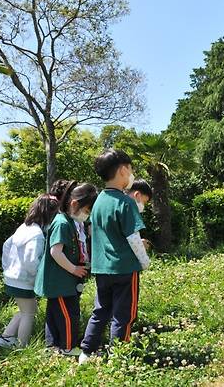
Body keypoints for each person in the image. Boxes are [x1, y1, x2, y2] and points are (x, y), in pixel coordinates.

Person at [79, 150, 150, 364]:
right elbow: (134, 238)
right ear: (122, 170)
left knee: (100, 310)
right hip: (124, 268)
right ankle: (119, 357)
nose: (132, 175)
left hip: (102, 268)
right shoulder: (125, 202)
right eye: (130, 169)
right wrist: (144, 261)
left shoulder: (99, 200)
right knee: (123, 314)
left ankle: (87, 352)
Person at [34, 182, 98, 356]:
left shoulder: (68, 221)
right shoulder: (62, 223)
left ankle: (52, 345)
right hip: (60, 281)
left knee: (54, 314)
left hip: (61, 280)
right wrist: (74, 269)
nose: (88, 214)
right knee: (68, 314)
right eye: (87, 210)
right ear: (74, 204)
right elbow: (56, 252)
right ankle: (68, 346)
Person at [0, 194, 59, 349]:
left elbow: (6, 246)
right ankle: (22, 346)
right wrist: (39, 277)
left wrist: (7, 267)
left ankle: (5, 337)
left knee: (25, 310)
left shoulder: (24, 227)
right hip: (24, 280)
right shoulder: (37, 235)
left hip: (13, 277)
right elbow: (32, 262)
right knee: (29, 313)